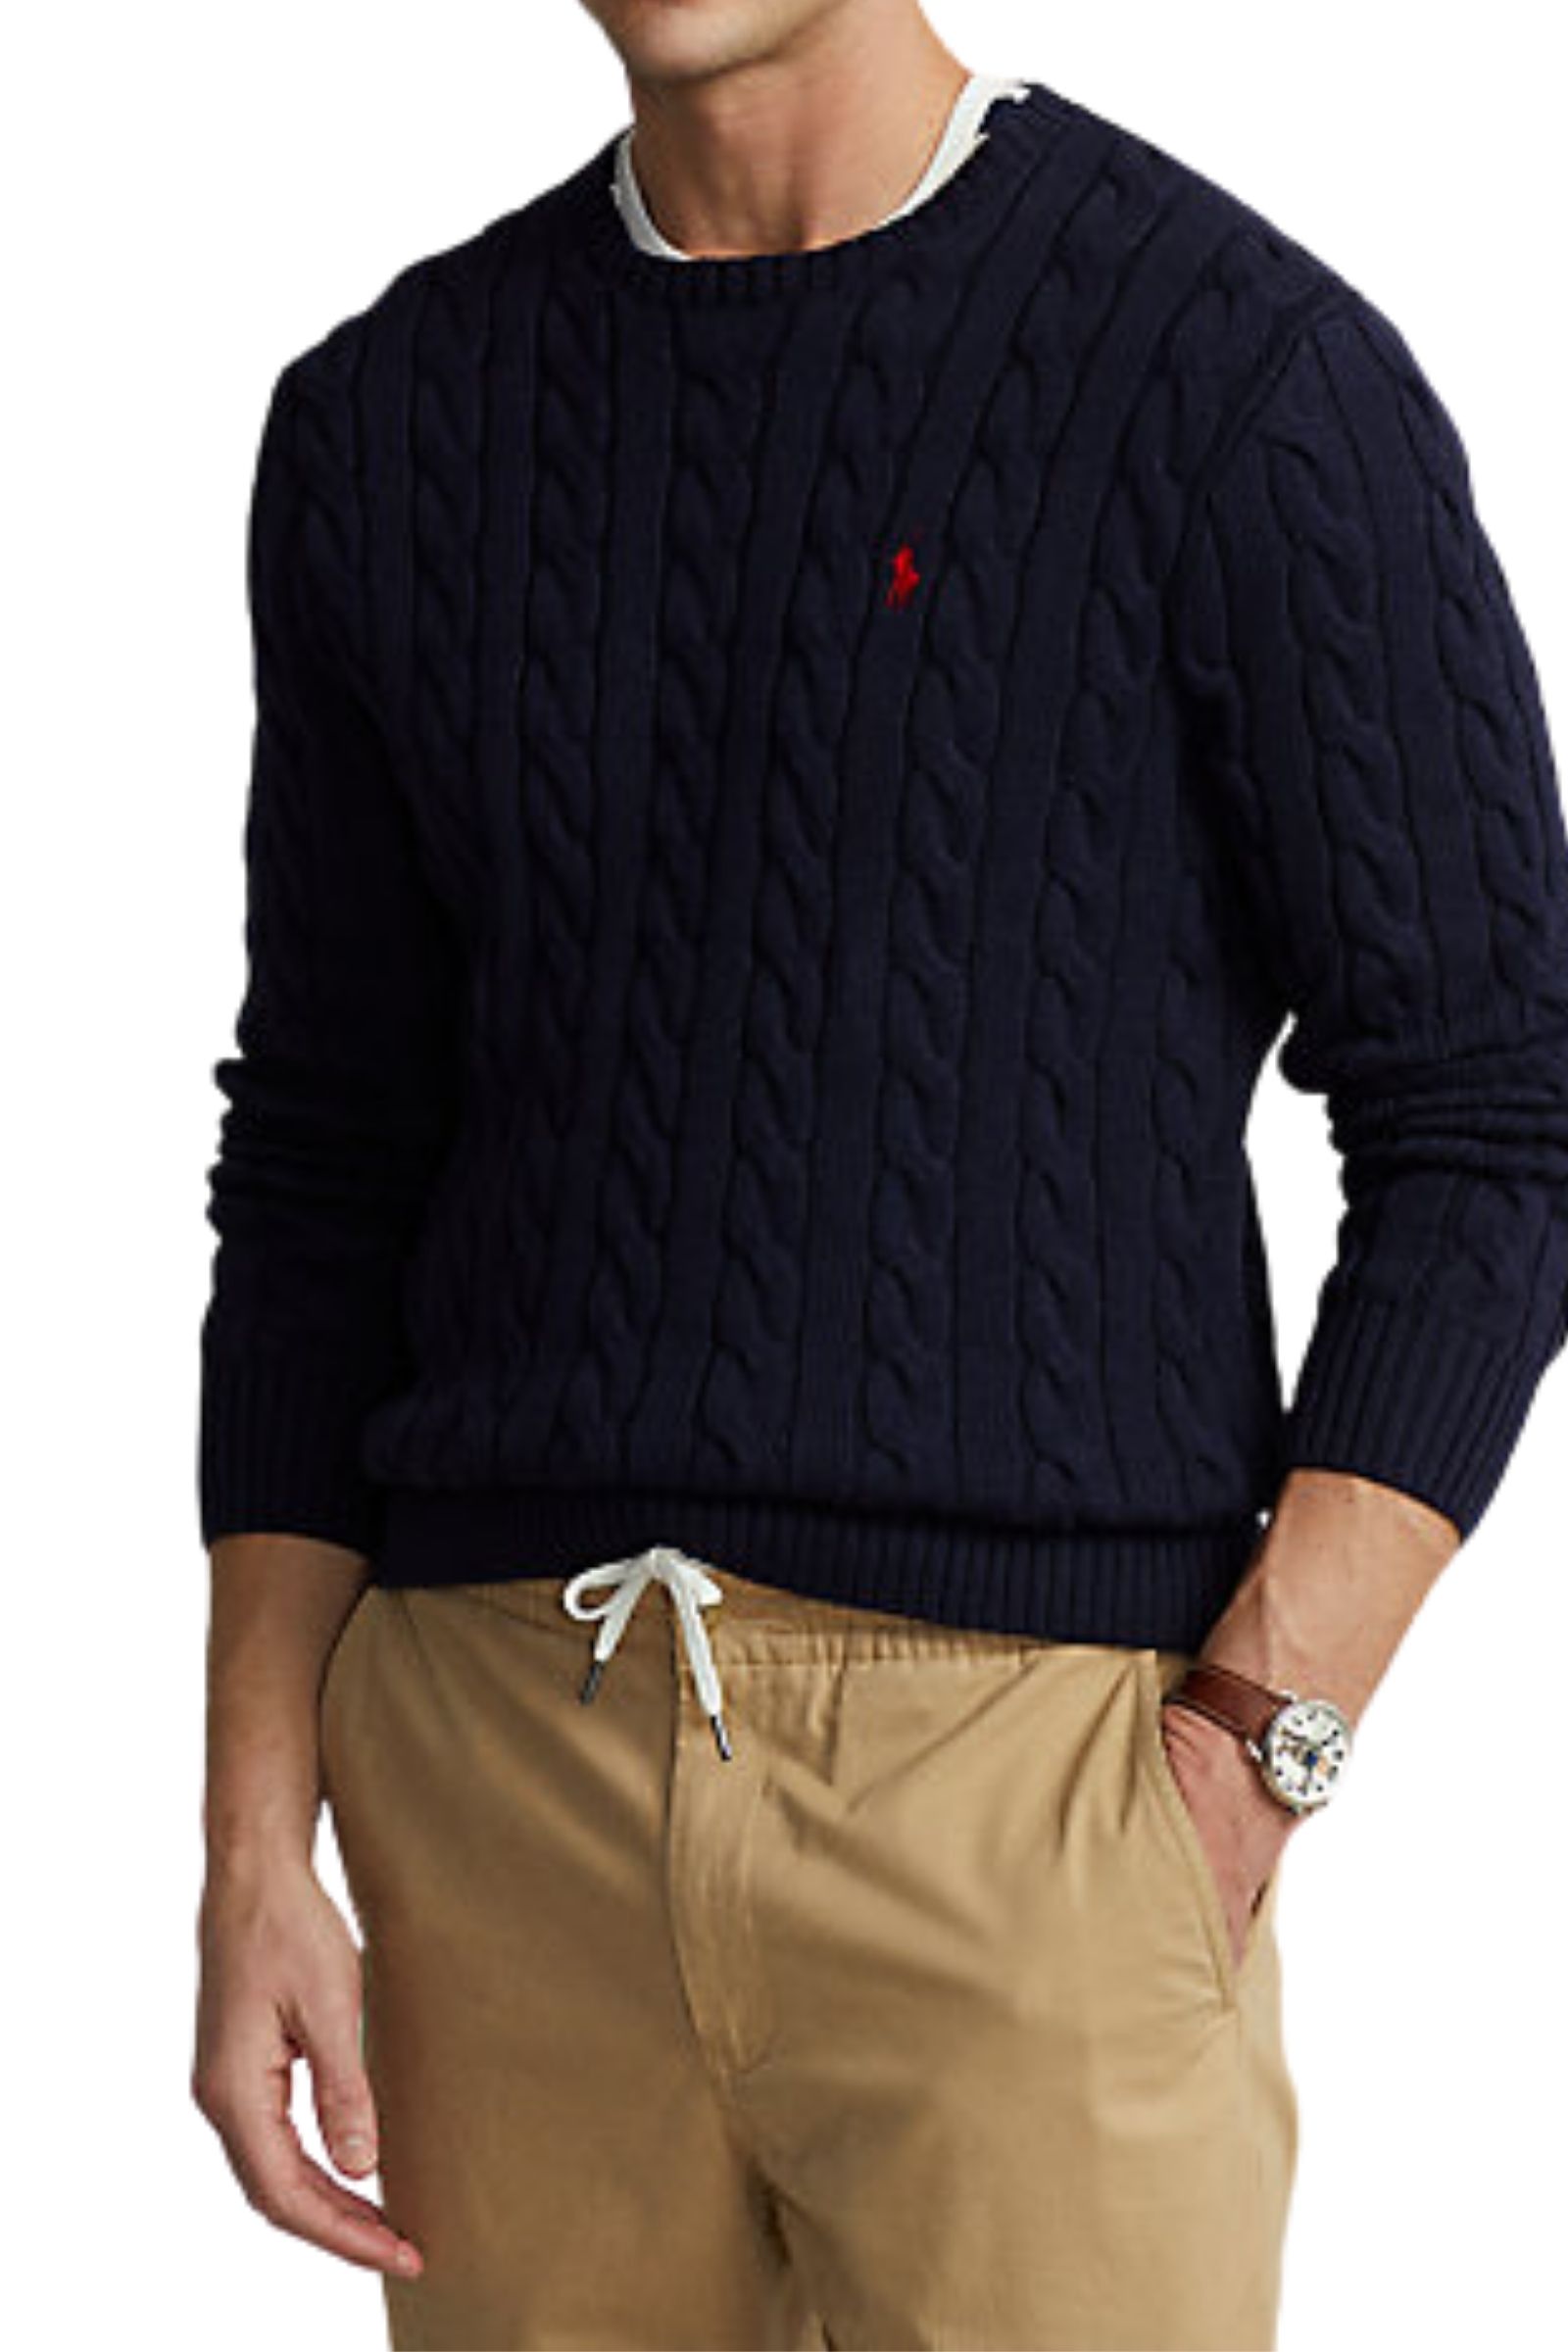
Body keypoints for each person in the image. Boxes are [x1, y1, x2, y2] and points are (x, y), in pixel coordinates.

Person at [189, 4, 1568, 2347]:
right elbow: (326, 1153)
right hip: (493, 1772)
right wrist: (252, 1843)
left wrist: (1251, 1744)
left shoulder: (1227, 371)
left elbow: (1492, 1102)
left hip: (1030, 1785)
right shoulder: (389, 416)